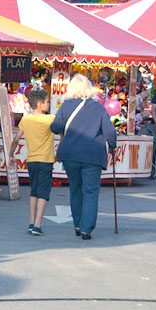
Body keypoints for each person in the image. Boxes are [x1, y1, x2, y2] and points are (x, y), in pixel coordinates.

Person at [50, 74, 117, 240]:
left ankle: (78, 224)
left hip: (70, 155)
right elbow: (109, 132)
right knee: (91, 192)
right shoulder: (99, 108)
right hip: (92, 156)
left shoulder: (66, 106)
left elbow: (55, 127)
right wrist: (113, 146)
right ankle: (87, 228)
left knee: (75, 189)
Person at [11, 89, 55, 236]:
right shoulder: (50, 119)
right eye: (47, 102)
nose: (48, 104)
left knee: (34, 191)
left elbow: (16, 139)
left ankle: (31, 222)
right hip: (46, 160)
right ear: (40, 104)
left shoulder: (26, 120)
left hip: (31, 160)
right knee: (43, 193)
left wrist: (11, 155)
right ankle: (37, 225)